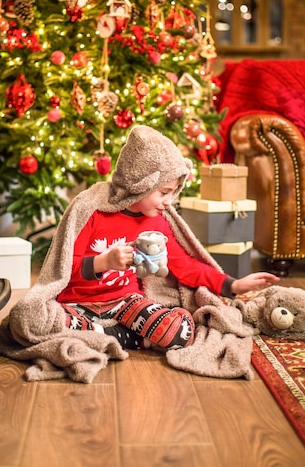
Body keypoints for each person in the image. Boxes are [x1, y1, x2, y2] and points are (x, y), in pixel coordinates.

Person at [54, 125, 280, 352]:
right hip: (77, 303)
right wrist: (103, 262)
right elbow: (62, 268)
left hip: (126, 302)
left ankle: (98, 336)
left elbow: (186, 266)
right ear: (140, 184)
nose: (169, 201)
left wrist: (233, 284)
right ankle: (124, 338)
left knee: (181, 330)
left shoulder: (157, 221)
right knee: (44, 322)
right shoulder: (92, 211)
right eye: (163, 192)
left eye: (174, 192)